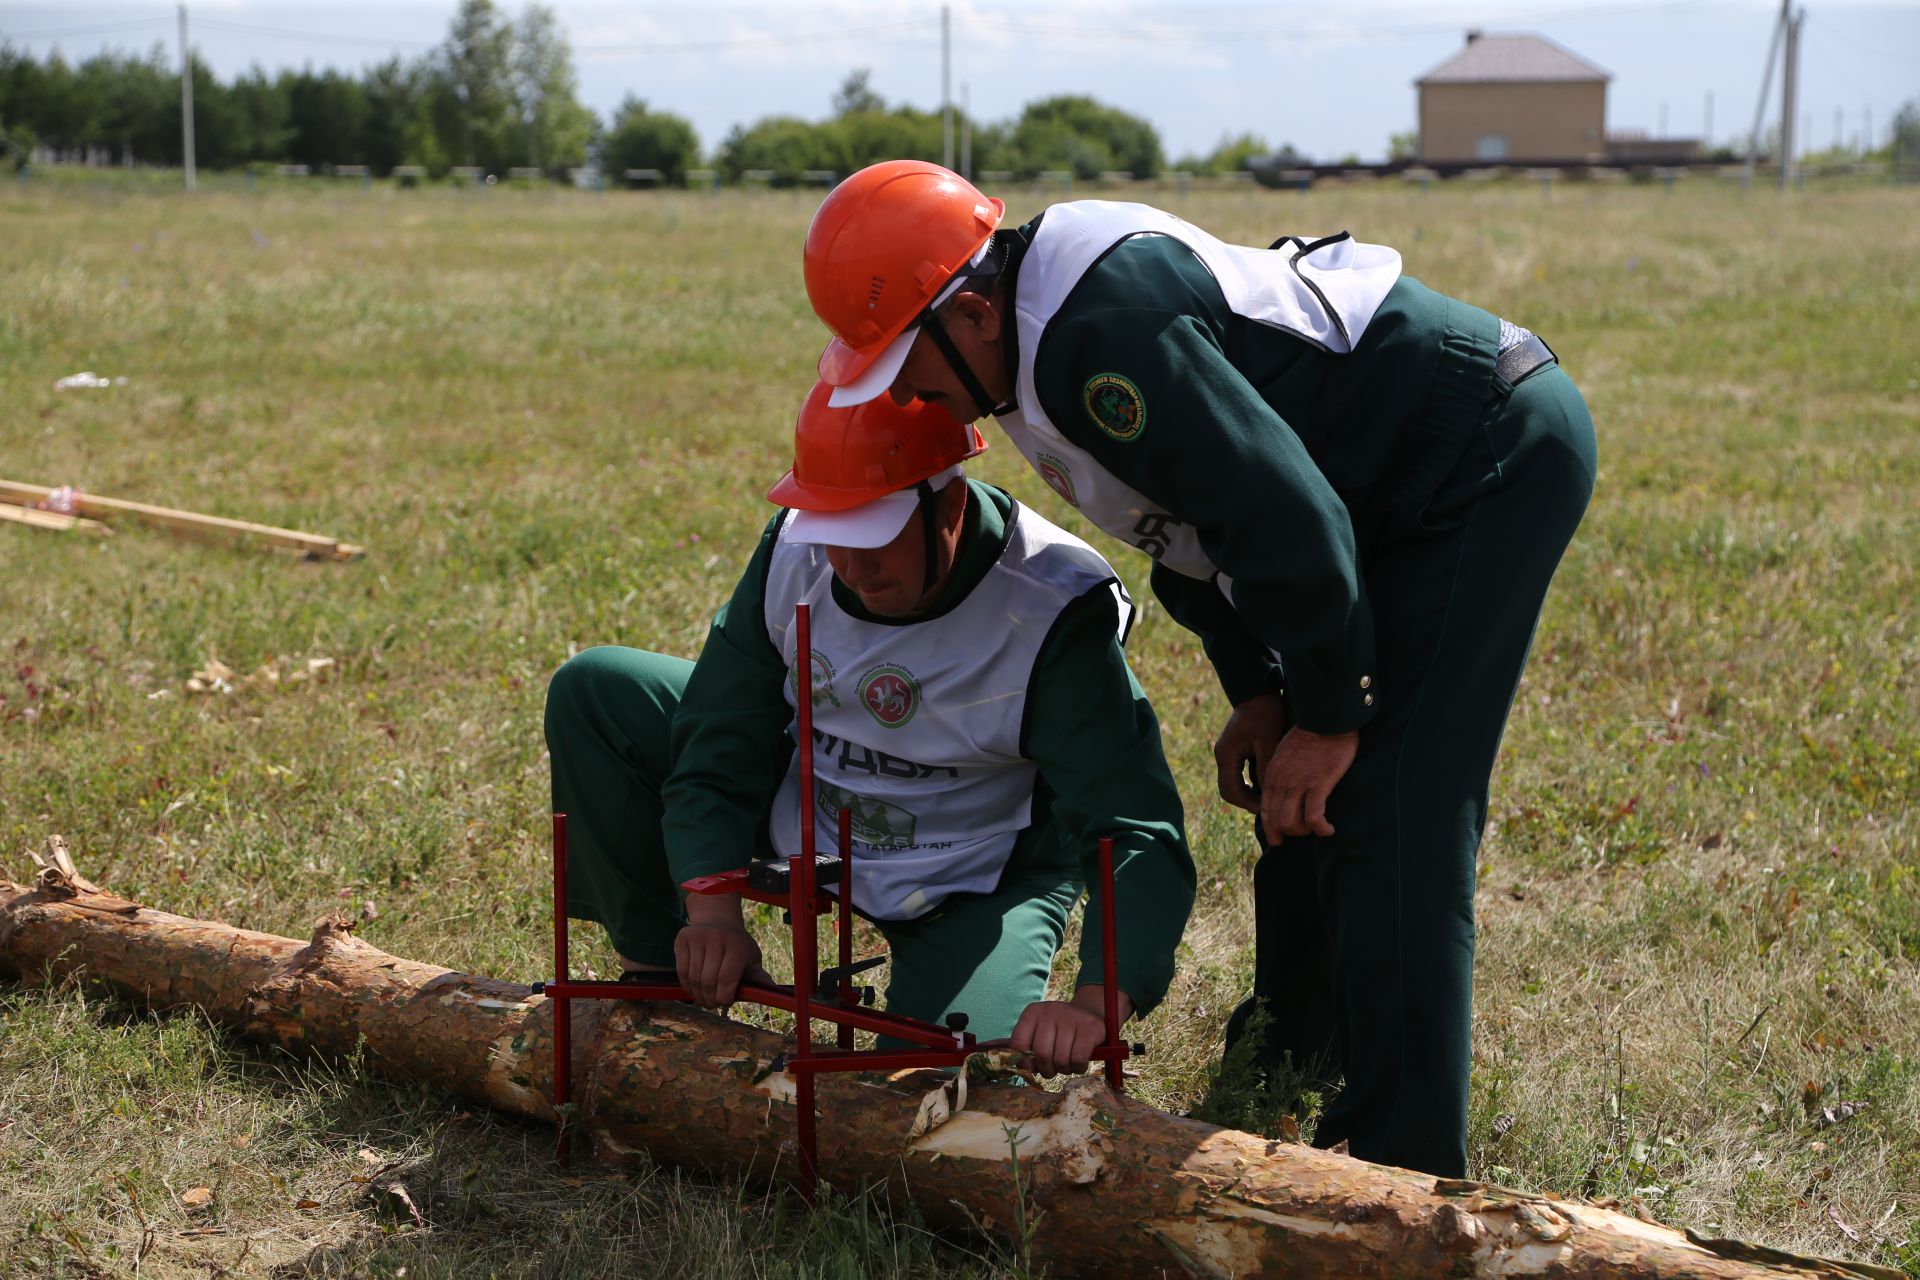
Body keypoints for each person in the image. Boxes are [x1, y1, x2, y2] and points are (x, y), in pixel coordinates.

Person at [802, 160, 1597, 1175]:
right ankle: (1291, 1044)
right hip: (1367, 502)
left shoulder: (1096, 334)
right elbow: (1190, 533)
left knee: (1395, 798)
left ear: (968, 308)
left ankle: (1403, 1162)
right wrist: (1263, 692)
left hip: (1480, 452)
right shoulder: (1028, 352)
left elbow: (1287, 517)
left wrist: (1329, 708)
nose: (910, 393)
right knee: (1309, 796)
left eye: (906, 364)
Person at [543, 382, 1195, 1076]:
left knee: (931, 1094)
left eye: (874, 538)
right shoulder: (796, 548)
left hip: (972, 869)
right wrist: (711, 913)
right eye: (834, 537)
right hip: (809, 790)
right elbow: (722, 727)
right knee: (599, 691)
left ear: (949, 505)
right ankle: (658, 992)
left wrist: (1095, 1004)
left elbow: (1133, 825)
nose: (851, 568)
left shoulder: (1054, 607)